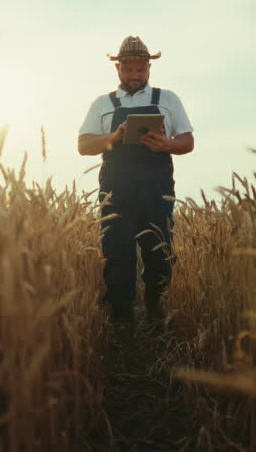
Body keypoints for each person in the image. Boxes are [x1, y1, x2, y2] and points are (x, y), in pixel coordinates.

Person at [77, 36, 195, 334]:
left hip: (157, 190)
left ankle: (156, 309)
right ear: (118, 68)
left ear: (149, 67)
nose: (134, 75)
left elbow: (188, 141)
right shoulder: (102, 104)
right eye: (128, 69)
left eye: (140, 70)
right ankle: (121, 319)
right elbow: (83, 145)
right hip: (115, 192)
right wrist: (113, 139)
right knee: (117, 253)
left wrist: (165, 144)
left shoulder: (167, 99)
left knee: (159, 251)